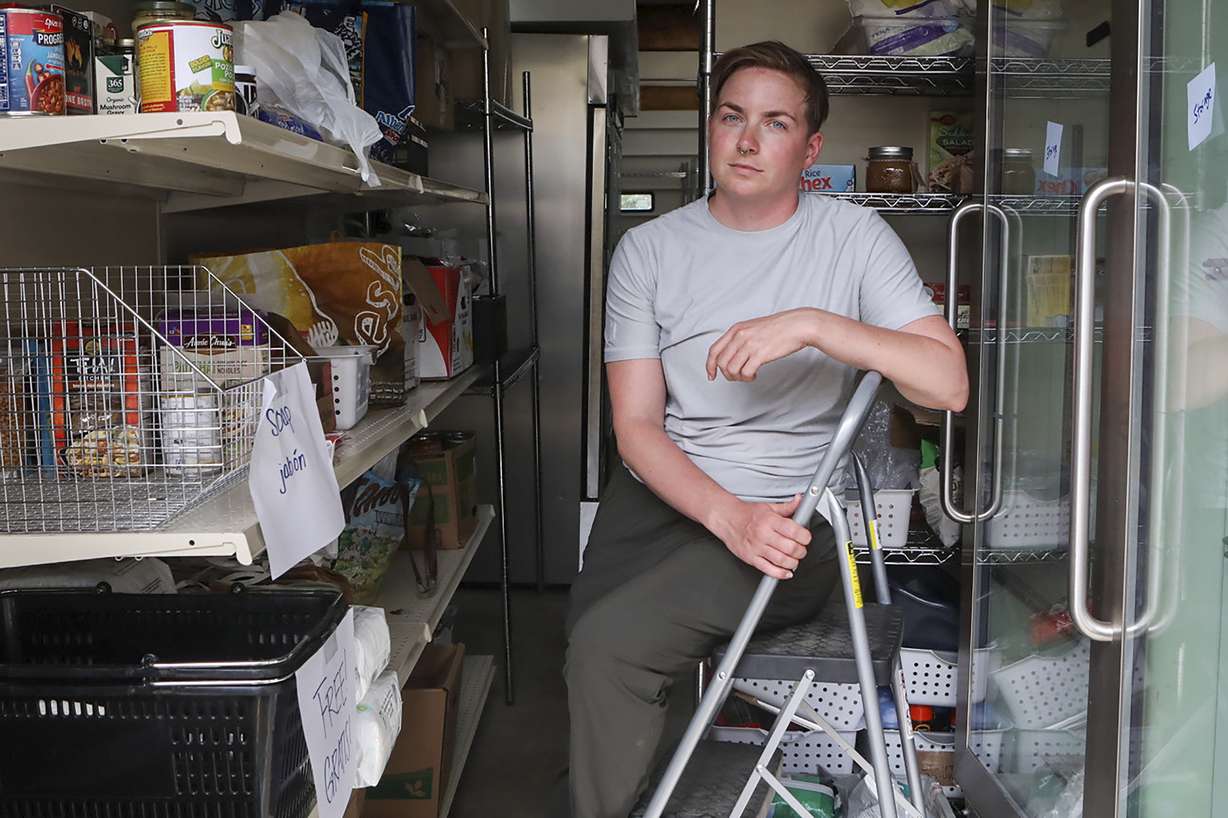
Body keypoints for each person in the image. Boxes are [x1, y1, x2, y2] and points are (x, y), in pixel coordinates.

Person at [563, 41, 969, 818]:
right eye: (732, 117)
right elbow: (637, 427)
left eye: (775, 123)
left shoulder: (853, 238)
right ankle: (632, 793)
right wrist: (726, 515)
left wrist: (814, 324)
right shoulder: (647, 250)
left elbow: (947, 384)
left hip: (788, 517)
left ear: (810, 149)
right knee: (587, 644)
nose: (748, 141)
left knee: (608, 648)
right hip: (664, 500)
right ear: (711, 128)